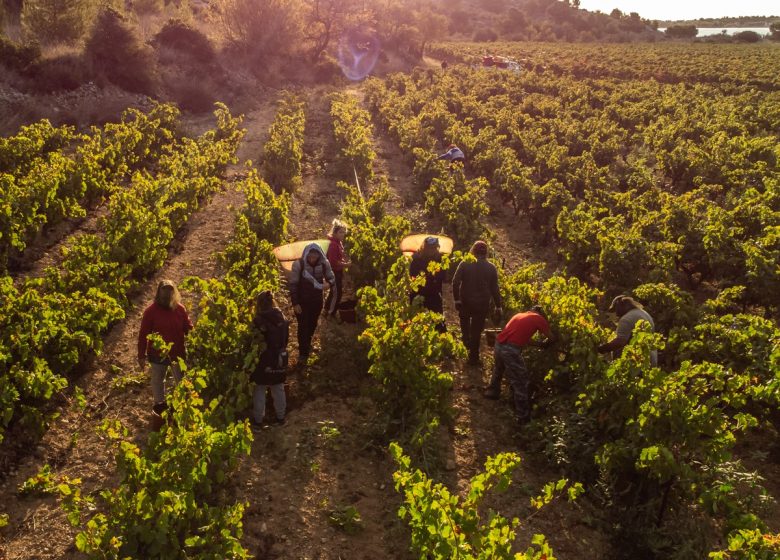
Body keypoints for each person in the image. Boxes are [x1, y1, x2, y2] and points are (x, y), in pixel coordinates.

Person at [484, 306, 556, 425]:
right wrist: (554, 340)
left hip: (499, 344)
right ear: (540, 313)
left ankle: (492, 392)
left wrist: (539, 345)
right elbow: (551, 337)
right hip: (510, 349)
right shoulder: (538, 318)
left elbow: (524, 339)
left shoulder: (519, 315)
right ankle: (523, 416)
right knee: (520, 381)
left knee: (498, 369)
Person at [137, 280, 193, 415]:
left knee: (180, 381)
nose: (167, 293)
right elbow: (143, 334)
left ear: (174, 292)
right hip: (157, 354)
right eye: (164, 290)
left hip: (178, 353)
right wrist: (141, 355)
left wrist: (195, 334)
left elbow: (188, 327)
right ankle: (160, 404)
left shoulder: (180, 309)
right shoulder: (150, 312)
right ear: (158, 292)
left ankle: (180, 406)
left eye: (170, 290)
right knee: (157, 379)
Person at [452, 240, 502, 366]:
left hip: (465, 301)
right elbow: (494, 288)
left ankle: (465, 342)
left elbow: (455, 282)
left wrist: (457, 299)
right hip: (482, 304)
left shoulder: (465, 263)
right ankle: (473, 358)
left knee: (464, 324)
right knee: (476, 331)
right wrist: (498, 306)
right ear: (486, 253)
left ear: (473, 250)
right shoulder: (491, 267)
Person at [289, 242, 335, 363]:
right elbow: (293, 285)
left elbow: (331, 277)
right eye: (310, 256)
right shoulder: (299, 264)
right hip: (302, 302)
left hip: (317, 301)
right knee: (303, 326)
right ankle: (303, 354)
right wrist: (295, 303)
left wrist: (328, 284)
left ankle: (307, 343)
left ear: (319, 256)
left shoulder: (324, 264)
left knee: (312, 324)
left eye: (315, 256)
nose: (312, 259)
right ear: (306, 255)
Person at [251, 290, 289, 428]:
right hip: (280, 357)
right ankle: (281, 418)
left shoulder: (258, 321)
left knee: (260, 389)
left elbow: (254, 342)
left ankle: (258, 422)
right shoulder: (283, 318)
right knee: (278, 388)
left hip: (264, 359)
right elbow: (286, 340)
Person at [598, 295, 658, 366]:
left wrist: (602, 349)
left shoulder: (626, 319)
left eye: (614, 310)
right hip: (651, 359)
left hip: (637, 361)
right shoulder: (643, 313)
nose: (615, 314)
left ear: (618, 308)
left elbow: (620, 341)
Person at [409, 236, 447, 332]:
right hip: (418, 294)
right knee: (415, 322)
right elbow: (411, 275)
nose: (432, 251)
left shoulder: (441, 259)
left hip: (434, 294)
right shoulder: (416, 258)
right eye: (430, 248)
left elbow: (444, 277)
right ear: (425, 247)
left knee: (438, 323)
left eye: (434, 248)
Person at [325, 219, 350, 317]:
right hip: (333, 272)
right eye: (340, 232)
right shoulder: (333, 245)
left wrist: (344, 261)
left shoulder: (338, 243)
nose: (343, 234)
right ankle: (331, 313)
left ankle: (327, 309)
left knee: (334, 291)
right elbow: (333, 262)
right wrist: (346, 265)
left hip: (337, 271)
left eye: (344, 232)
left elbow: (339, 257)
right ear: (334, 232)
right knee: (337, 293)